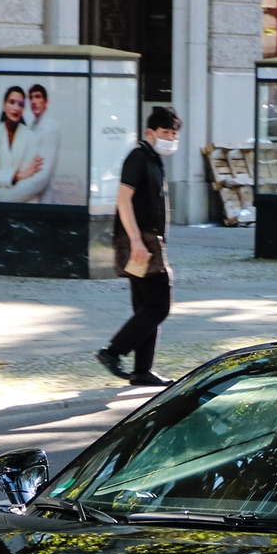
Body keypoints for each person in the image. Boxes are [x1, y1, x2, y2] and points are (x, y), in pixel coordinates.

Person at [97, 106, 181, 387]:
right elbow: (123, 200)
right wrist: (134, 241)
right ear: (150, 132)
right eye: (165, 132)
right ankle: (113, 352)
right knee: (159, 305)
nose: (170, 137)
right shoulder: (138, 157)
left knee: (146, 307)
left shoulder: (154, 159)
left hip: (148, 241)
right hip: (141, 242)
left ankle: (142, 371)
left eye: (173, 132)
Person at [0, 86, 41, 205]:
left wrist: (4, 178)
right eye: (12, 102)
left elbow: (31, 174)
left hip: (25, 202)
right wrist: (17, 176)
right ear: (4, 105)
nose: (16, 108)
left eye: (20, 104)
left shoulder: (30, 136)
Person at [13, 84, 60, 204]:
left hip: (41, 197)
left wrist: (15, 193)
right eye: (31, 98)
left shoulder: (50, 128)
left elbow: (43, 172)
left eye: (38, 97)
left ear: (46, 102)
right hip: (32, 196)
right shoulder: (32, 126)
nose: (34, 101)